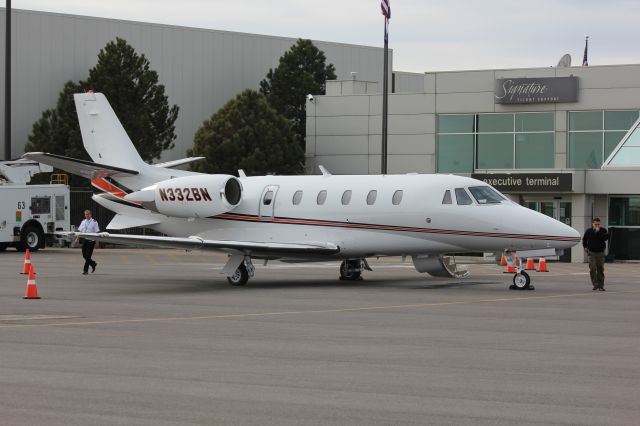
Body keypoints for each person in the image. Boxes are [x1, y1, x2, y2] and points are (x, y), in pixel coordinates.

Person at [582, 218, 608, 291]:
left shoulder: (603, 230)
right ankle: (595, 284)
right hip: (592, 253)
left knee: (600, 269)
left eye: (598, 224)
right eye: (596, 224)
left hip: (600, 253)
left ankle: (601, 285)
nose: (597, 225)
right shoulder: (589, 231)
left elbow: (604, 239)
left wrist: (598, 232)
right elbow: (584, 240)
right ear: (592, 223)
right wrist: (585, 247)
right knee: (592, 268)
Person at [78, 209, 100, 275]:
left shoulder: (94, 222)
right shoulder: (83, 222)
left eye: (88, 214)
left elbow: (97, 232)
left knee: (88, 257)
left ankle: (85, 270)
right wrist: (78, 237)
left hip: (91, 241)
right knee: (84, 255)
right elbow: (80, 231)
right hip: (84, 240)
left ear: (90, 214)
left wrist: (97, 242)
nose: (86, 215)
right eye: (85, 214)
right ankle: (93, 264)